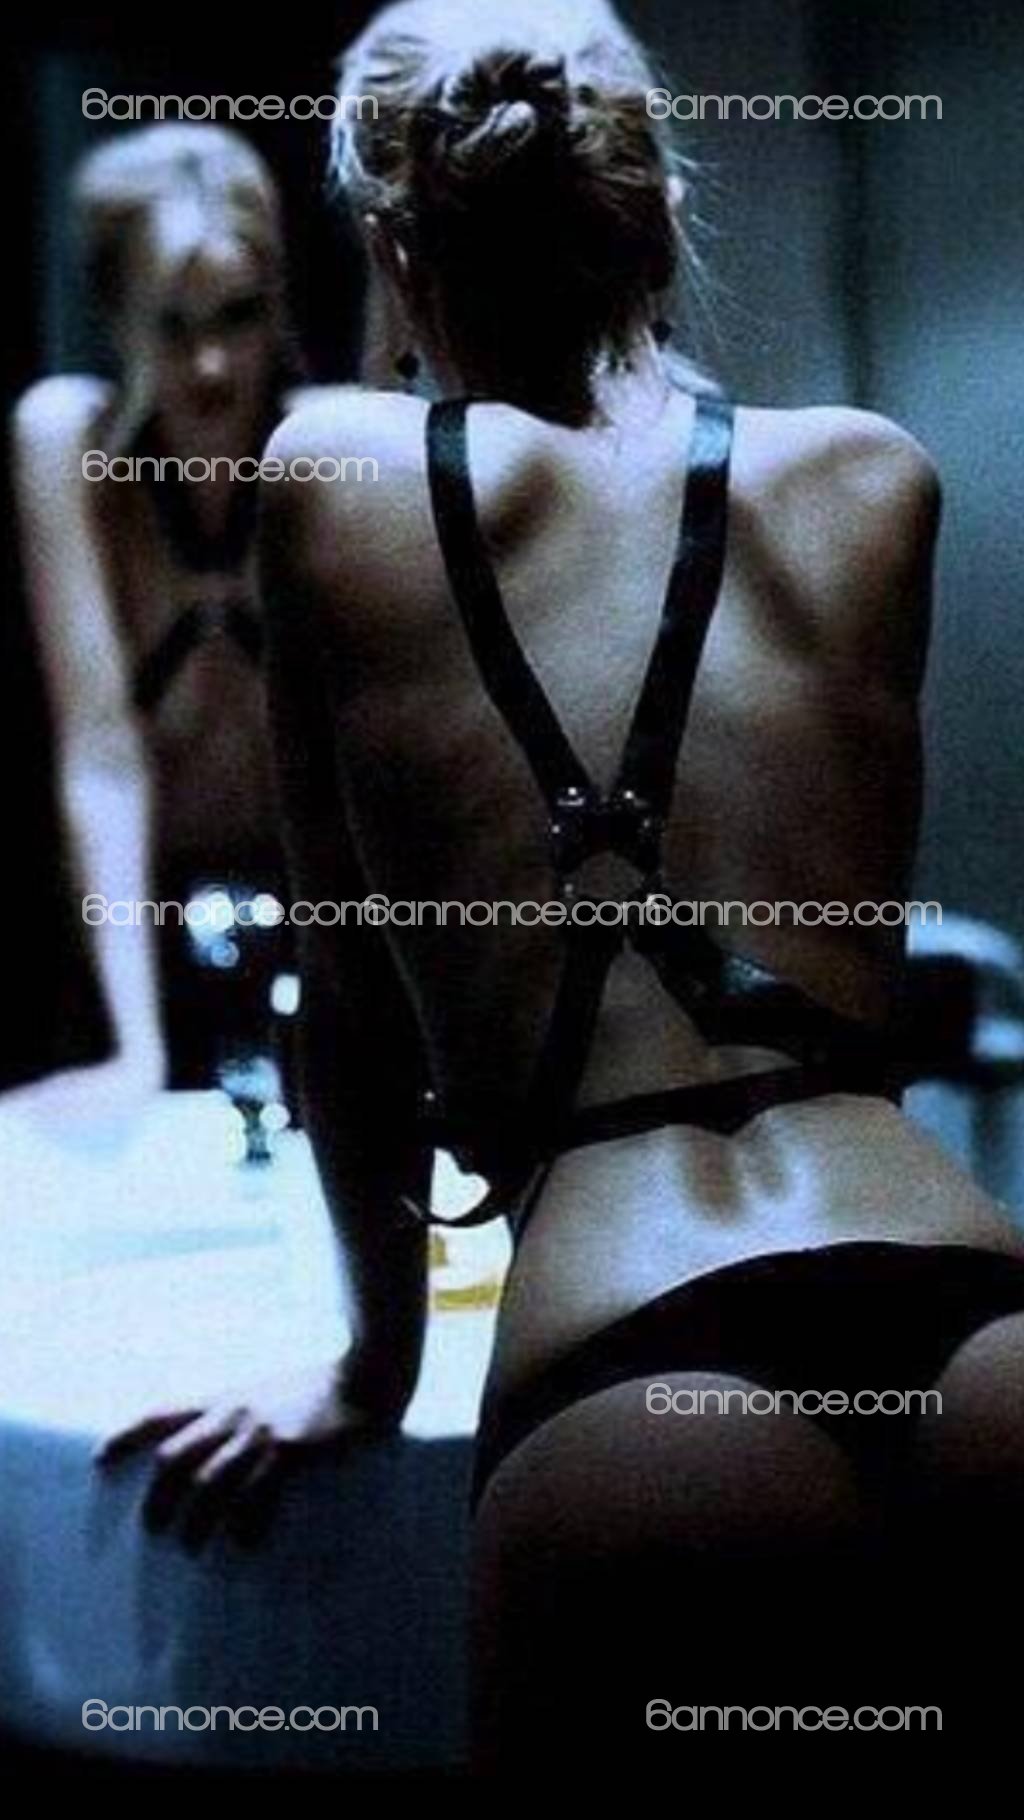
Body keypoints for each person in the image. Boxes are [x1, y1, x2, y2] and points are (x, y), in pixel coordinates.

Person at [101, 0, 1024, 1764]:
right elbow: (851, 977)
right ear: (654, 210)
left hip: (638, 1376)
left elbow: (353, 1024)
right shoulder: (869, 477)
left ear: (391, 250)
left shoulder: (333, 481)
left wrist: (369, 1372)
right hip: (979, 1329)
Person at [10, 122, 311, 1139]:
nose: (211, 363)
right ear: (117, 316)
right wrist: (135, 1049)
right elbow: (103, 755)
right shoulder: (72, 446)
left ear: (279, 304)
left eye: (239, 315)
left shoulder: (326, 448)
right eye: (172, 326)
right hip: (127, 940)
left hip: (323, 937)